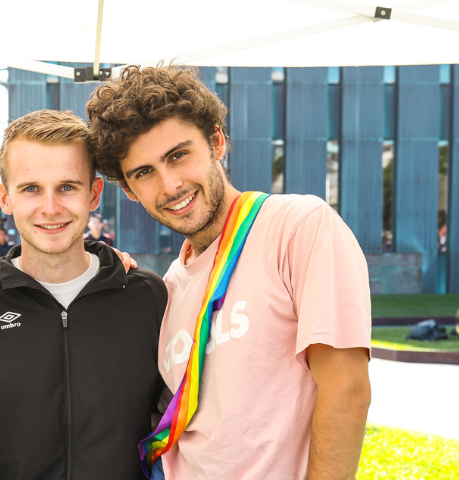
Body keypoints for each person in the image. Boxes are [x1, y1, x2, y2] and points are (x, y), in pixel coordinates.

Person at [86, 65, 372, 479]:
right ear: (129, 191)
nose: (169, 186)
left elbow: (347, 391)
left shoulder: (297, 226)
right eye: (144, 173)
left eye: (178, 155)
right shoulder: (167, 288)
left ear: (217, 141)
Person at [0, 110, 167, 479]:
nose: (50, 208)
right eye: (31, 188)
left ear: (93, 193)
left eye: (67, 186)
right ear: (5, 198)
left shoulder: (147, 297)